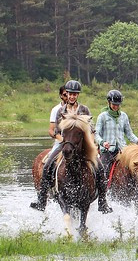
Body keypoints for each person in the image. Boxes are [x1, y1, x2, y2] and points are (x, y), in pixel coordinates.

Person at [30, 80, 113, 214]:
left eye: (75, 94)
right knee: (47, 165)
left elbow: (90, 130)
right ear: (66, 94)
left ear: (78, 95)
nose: (72, 96)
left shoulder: (84, 110)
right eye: (70, 94)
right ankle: (42, 200)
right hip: (64, 143)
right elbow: (56, 132)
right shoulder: (60, 111)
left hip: (83, 145)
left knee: (100, 167)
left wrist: (92, 144)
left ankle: (102, 202)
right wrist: (66, 142)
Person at [95, 90, 138, 195]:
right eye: (114, 104)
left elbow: (129, 133)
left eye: (118, 105)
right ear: (109, 102)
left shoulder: (124, 116)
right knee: (102, 170)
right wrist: (102, 142)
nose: (116, 106)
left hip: (122, 150)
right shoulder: (102, 116)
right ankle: (102, 195)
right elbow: (96, 134)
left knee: (135, 167)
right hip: (107, 151)